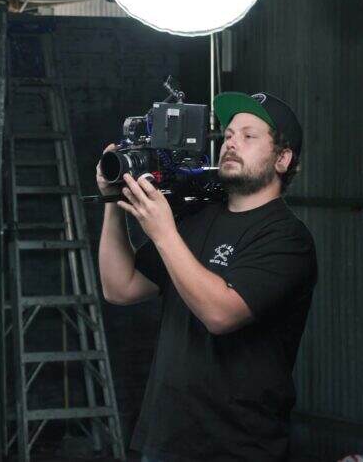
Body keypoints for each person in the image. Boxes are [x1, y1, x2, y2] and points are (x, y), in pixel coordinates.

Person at [96, 92, 317, 461]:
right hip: (165, 440)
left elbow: (220, 314)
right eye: (229, 134)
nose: (231, 142)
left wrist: (164, 233)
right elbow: (120, 287)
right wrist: (112, 203)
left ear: (283, 159)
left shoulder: (287, 238)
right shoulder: (199, 220)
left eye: (249, 136)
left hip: (235, 448)